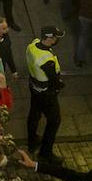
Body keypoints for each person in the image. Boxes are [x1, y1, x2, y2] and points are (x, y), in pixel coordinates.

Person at [25, 26, 65, 162]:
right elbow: (53, 79)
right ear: (49, 38)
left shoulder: (33, 45)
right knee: (54, 121)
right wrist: (60, 86)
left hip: (34, 86)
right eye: (55, 37)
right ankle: (46, 152)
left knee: (34, 114)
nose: (57, 39)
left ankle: (32, 140)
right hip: (46, 93)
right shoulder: (46, 59)